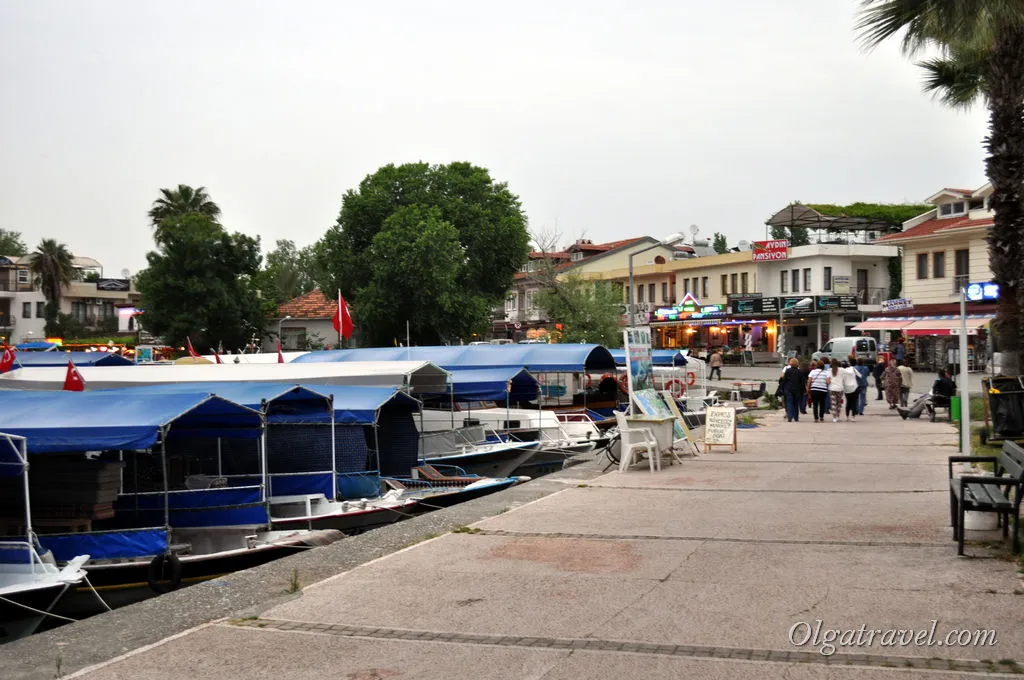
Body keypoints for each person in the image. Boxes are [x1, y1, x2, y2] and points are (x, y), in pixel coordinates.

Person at [780, 357, 805, 422]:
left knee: (789, 402)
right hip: (797, 389)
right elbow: (802, 382)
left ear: (790, 364)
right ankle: (796, 417)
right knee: (796, 403)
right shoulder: (800, 372)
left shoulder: (788, 371)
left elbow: (784, 380)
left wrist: (782, 388)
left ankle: (790, 416)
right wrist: (803, 390)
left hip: (788, 389)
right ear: (797, 364)